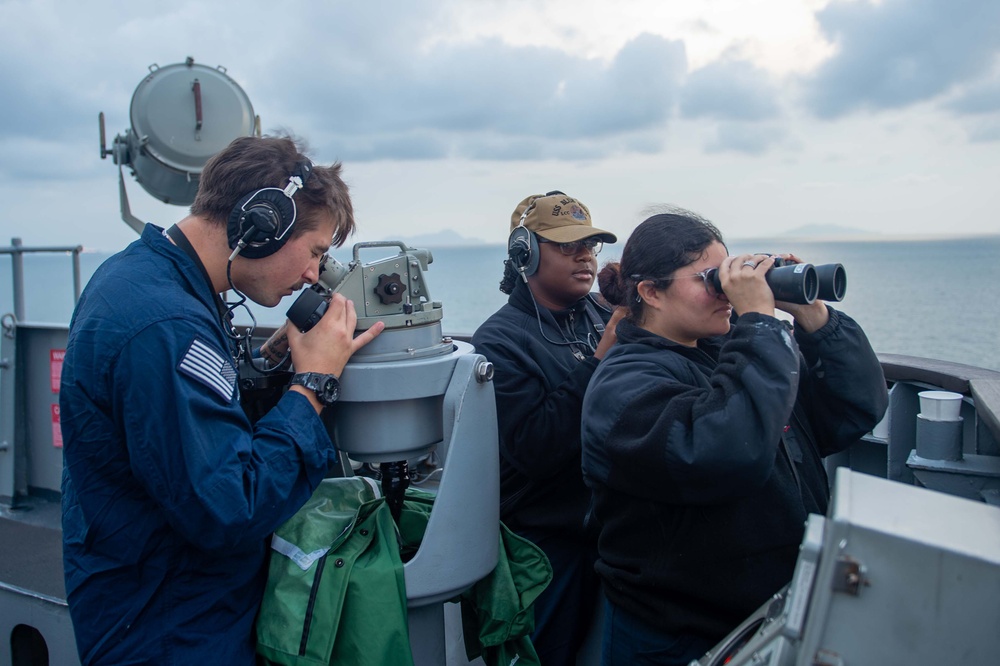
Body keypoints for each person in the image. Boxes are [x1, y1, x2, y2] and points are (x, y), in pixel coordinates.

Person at [59, 134, 384, 665]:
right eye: (315, 252)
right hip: (174, 629)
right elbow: (230, 507)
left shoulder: (140, 278)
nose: (313, 274)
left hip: (149, 600)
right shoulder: (167, 327)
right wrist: (313, 385)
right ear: (262, 224)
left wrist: (271, 365)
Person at [580, 208, 888, 665]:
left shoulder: (727, 355)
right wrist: (759, 322)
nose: (725, 291)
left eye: (726, 273)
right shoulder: (623, 387)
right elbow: (728, 453)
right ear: (651, 292)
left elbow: (854, 408)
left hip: (765, 619)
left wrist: (814, 315)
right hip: (678, 637)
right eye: (710, 279)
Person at [471, 191, 625, 665]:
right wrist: (600, 360)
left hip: (607, 532)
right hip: (545, 546)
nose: (585, 256)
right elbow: (533, 447)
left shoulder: (602, 313)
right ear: (525, 254)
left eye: (590, 245)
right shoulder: (500, 339)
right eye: (566, 245)